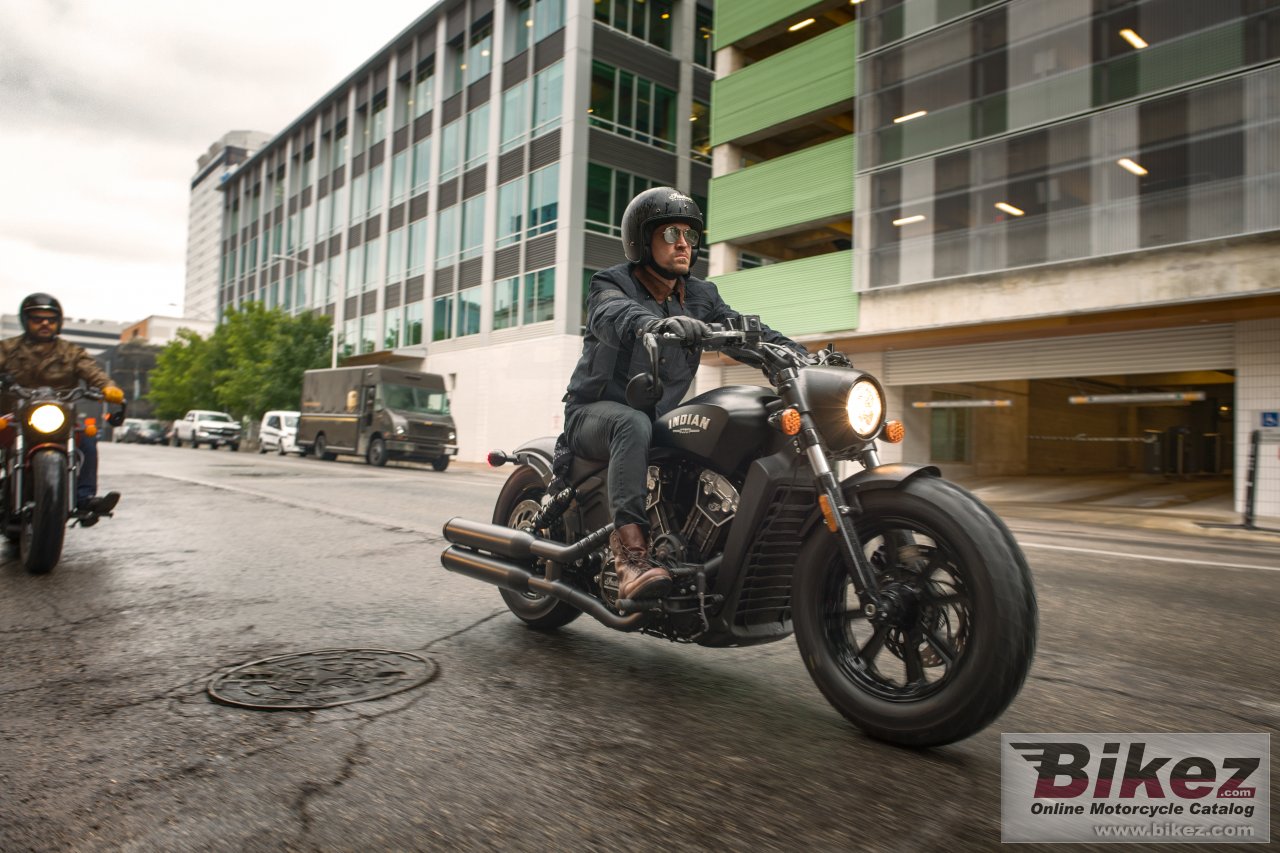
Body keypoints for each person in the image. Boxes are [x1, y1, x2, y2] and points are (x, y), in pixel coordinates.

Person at [562, 188, 805, 601]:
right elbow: (610, 313)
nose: (683, 244)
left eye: (690, 236)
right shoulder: (611, 282)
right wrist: (653, 323)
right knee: (631, 421)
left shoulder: (701, 296)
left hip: (654, 420)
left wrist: (798, 354)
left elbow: (745, 331)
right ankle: (631, 559)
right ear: (642, 240)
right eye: (672, 232)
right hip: (595, 414)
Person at [0, 293, 125, 524]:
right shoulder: (8, 348)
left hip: (59, 415)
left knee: (86, 440)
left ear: (59, 322)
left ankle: (84, 498)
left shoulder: (71, 352)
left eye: (50, 318)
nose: (45, 323)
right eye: (37, 318)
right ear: (26, 321)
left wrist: (108, 387)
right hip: (16, 414)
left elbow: (91, 370)